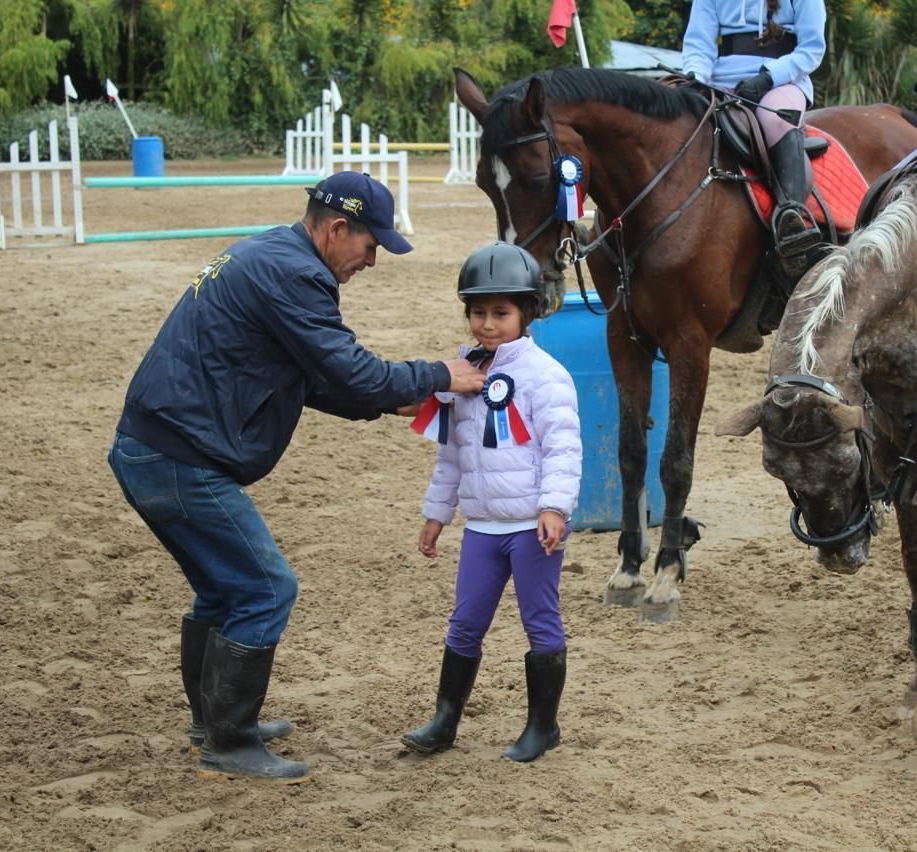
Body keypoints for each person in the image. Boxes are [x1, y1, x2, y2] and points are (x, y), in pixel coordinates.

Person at [108, 171, 486, 784]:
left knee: (222, 590)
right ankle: (228, 744)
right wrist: (437, 374)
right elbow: (352, 371)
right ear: (338, 230)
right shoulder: (297, 274)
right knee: (265, 588)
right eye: (371, 246)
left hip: (151, 447)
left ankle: (215, 722)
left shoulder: (268, 252)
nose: (373, 260)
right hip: (178, 458)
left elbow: (307, 378)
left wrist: (385, 401)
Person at [401, 241, 582, 763]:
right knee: (465, 623)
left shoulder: (546, 375)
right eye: (477, 312)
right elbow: (453, 454)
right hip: (480, 526)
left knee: (539, 621)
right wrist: (438, 514)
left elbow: (563, 449)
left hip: (531, 527)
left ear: (526, 313)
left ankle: (542, 726)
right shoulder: (460, 372)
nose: (486, 324)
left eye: (500, 313)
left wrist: (554, 508)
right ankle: (444, 720)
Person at [681, 0, 828, 277]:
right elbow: (699, 45)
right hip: (720, 82)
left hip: (782, 82)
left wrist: (768, 78)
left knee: (775, 120)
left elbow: (811, 49)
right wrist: (695, 77)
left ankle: (792, 219)